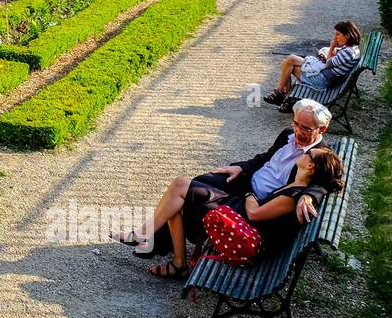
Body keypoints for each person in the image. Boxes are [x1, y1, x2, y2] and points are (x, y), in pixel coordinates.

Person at [110, 100, 335, 278]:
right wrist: (239, 167)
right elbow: (263, 159)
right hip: (246, 184)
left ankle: (149, 239)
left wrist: (308, 196)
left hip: (254, 202)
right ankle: (158, 242)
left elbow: (325, 182)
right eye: (296, 124)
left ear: (322, 128)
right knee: (199, 181)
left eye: (305, 128)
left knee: (184, 189)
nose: (298, 131)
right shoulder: (287, 134)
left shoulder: (318, 156)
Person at [263, 20, 362, 109]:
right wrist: (335, 51)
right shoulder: (351, 49)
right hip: (323, 76)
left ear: (347, 36)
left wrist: (332, 46)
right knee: (287, 63)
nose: (335, 37)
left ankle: (280, 93)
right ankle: (285, 97)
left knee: (289, 61)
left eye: (338, 34)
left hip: (321, 81)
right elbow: (332, 60)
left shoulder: (348, 52)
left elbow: (328, 63)